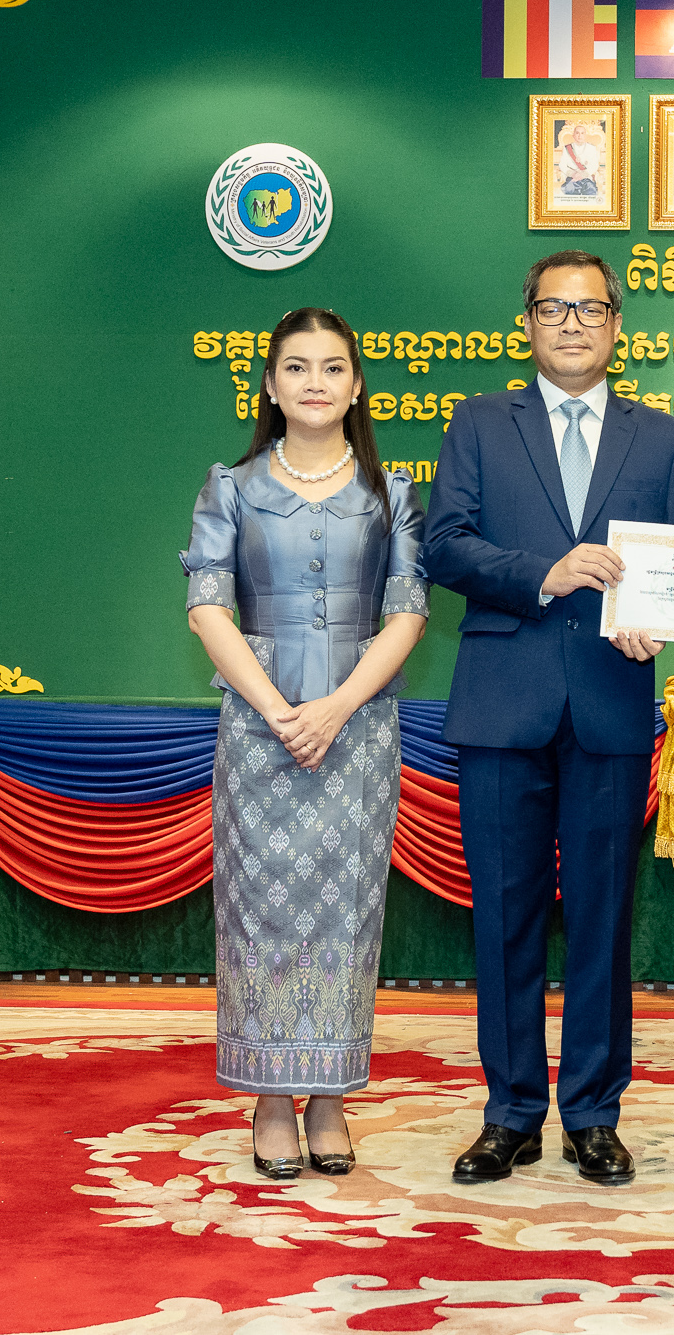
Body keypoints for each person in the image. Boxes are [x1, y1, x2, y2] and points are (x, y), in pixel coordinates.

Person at [423, 250, 674, 1186]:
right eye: (554, 308)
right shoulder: (478, 422)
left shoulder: (661, 437)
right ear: (528, 323)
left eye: (590, 309)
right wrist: (542, 574)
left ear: (618, 324)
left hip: (610, 703)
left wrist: (659, 621)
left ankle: (592, 1112)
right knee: (503, 916)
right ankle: (509, 1112)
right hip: (501, 703)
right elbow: (444, 544)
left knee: (601, 919)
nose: (573, 324)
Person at [182, 306, 429, 1180]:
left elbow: (408, 614)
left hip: (359, 734)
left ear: (356, 386)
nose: (315, 382)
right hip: (259, 732)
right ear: (270, 384)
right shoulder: (231, 486)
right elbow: (207, 607)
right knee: (260, 911)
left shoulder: (391, 492)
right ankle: (269, 1098)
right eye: (296, 366)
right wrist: (278, 707)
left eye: (332, 367)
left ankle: (329, 1096)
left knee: (347, 912)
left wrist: (337, 706)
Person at [556, 125, 603, 199]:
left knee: (591, 190)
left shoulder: (591, 148)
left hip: (586, 178)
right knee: (568, 190)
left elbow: (595, 165)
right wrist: (573, 174)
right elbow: (562, 165)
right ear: (573, 135)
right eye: (577, 133)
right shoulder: (567, 148)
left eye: (582, 133)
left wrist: (583, 174)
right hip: (572, 178)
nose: (579, 136)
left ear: (585, 135)